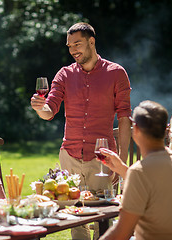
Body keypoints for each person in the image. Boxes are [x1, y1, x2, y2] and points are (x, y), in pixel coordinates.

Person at [30, 22, 131, 239]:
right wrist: (40, 108)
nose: (73, 50)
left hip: (102, 159)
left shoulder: (116, 73)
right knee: (75, 218)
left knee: (102, 217)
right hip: (70, 156)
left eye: (78, 44)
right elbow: (50, 110)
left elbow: (124, 118)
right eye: (69, 46)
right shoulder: (64, 74)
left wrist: (121, 161)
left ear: (91, 42)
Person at [99, 100, 172, 240]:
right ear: (166, 130)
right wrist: (121, 167)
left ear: (135, 129)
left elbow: (122, 232)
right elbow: (156, 187)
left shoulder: (140, 172)